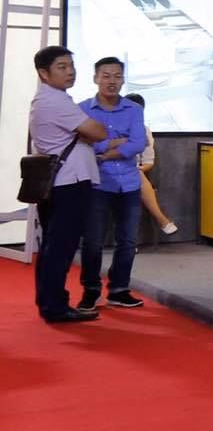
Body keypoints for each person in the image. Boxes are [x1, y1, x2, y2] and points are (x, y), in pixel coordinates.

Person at [28, 46, 109, 322]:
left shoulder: (48, 98)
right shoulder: (56, 102)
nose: (70, 72)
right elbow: (99, 132)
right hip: (68, 183)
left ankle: (50, 302)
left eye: (71, 66)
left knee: (53, 245)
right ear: (44, 73)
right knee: (60, 247)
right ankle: (55, 306)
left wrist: (87, 133)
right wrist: (89, 132)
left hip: (59, 181)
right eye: (62, 67)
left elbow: (90, 133)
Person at [76, 58, 149, 312]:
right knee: (93, 241)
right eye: (106, 76)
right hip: (97, 183)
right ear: (95, 78)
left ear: (123, 79)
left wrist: (104, 153)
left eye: (117, 76)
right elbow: (84, 142)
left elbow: (138, 143)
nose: (112, 81)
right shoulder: (83, 109)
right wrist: (116, 142)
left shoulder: (134, 109)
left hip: (128, 183)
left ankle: (119, 289)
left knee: (127, 241)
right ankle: (91, 290)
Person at [125, 93, 176, 235]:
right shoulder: (111, 126)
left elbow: (148, 162)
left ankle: (160, 221)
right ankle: (162, 220)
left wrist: (137, 169)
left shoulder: (144, 130)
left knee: (135, 174)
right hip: (108, 168)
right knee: (134, 175)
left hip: (131, 171)